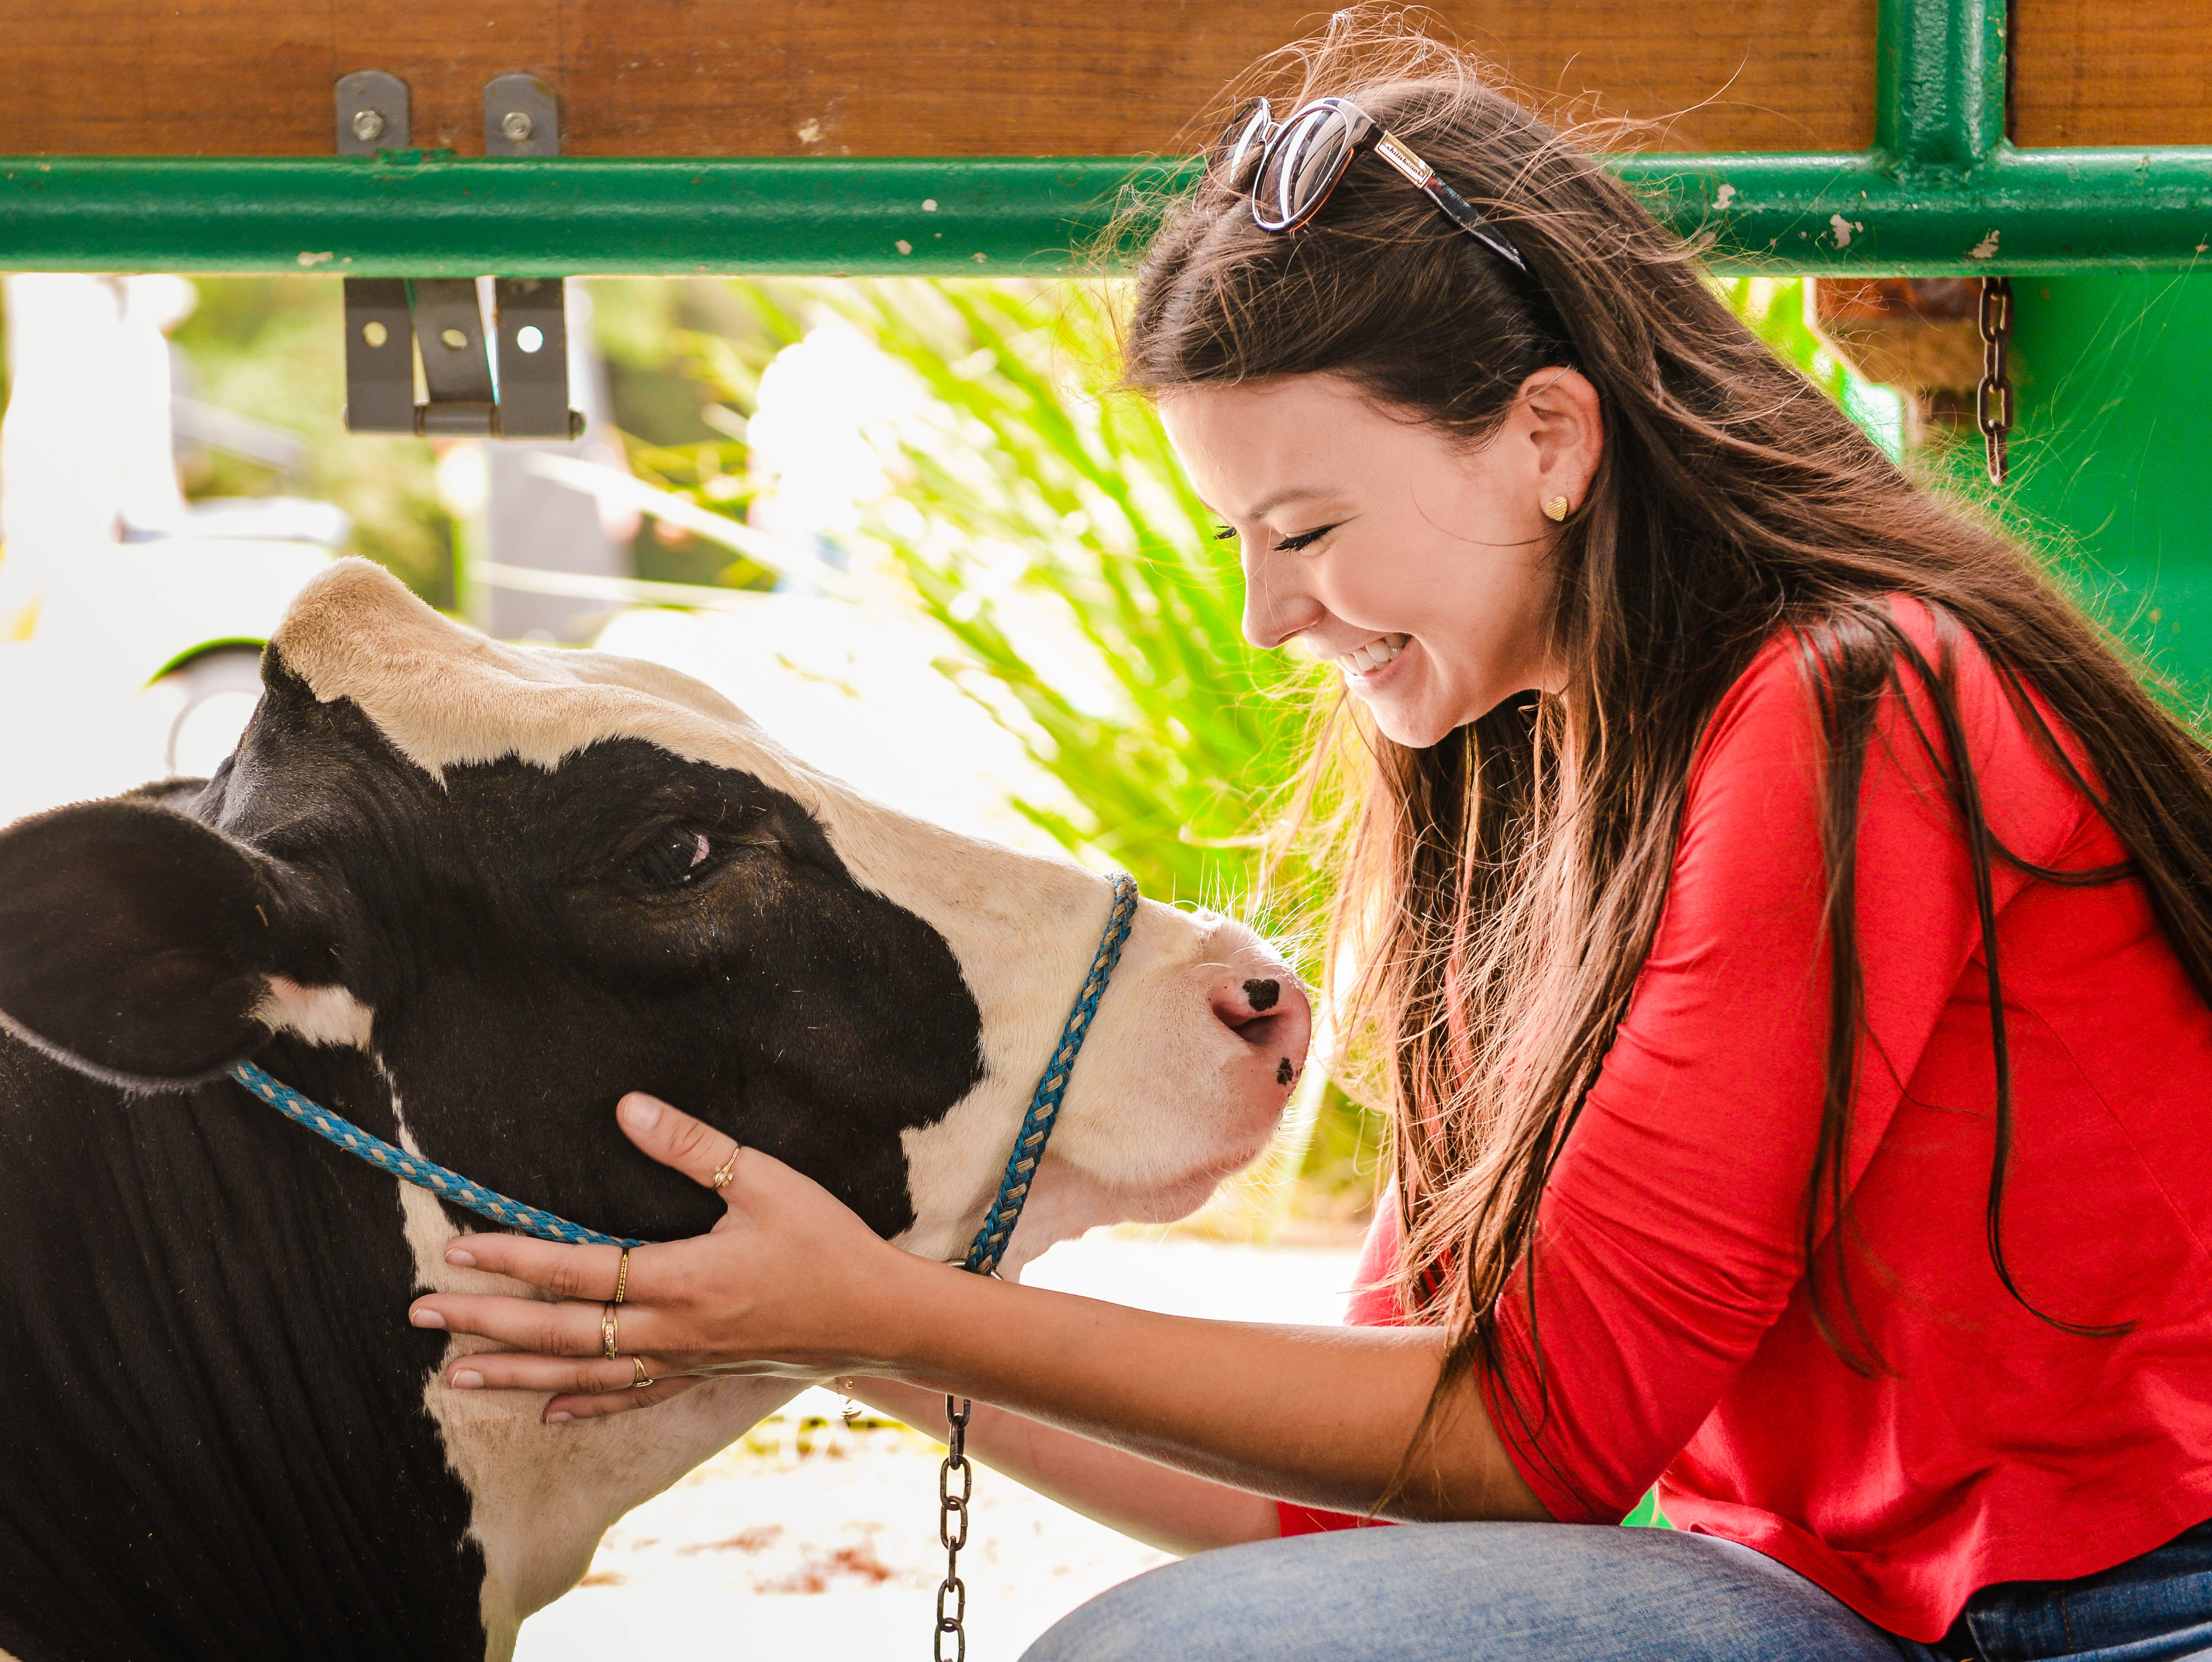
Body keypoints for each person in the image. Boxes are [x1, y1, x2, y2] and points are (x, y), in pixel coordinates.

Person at [402, 28, 2212, 1662]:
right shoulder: (1521, 777)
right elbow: (1362, 1484)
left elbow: (1526, 1443)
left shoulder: (1855, 706)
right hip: (1832, 1599)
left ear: (1551, 439)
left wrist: (899, 1313)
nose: (1271, 621)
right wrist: (827, 1336)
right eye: (1238, 546)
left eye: (1310, 526)